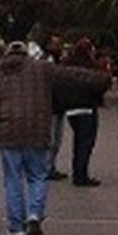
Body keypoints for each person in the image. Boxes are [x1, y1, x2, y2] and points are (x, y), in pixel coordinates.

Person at [0, 41, 109, 235]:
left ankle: (16, 227)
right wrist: (102, 79)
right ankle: (34, 215)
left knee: (13, 179)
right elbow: (73, 75)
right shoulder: (43, 69)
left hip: (8, 132)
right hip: (38, 131)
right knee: (38, 176)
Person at [58, 38, 106, 186]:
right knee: (86, 142)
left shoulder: (65, 64)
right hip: (87, 107)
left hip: (71, 109)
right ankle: (81, 175)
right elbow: (101, 85)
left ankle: (77, 171)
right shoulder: (92, 66)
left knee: (78, 140)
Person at [42, 35, 68, 181]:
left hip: (59, 106)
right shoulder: (47, 61)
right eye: (56, 44)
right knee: (50, 140)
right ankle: (46, 168)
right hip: (49, 106)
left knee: (57, 140)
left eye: (60, 44)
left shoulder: (61, 61)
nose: (59, 47)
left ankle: (51, 166)